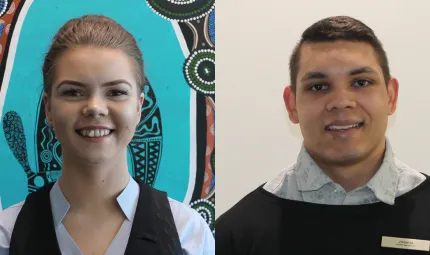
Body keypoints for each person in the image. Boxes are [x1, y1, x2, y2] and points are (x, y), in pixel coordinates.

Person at [0, 15, 214, 255]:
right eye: (73, 92)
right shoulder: (6, 236)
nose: (94, 107)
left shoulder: (188, 235)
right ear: (49, 108)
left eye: (115, 92)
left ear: (138, 107)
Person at [216, 15, 430, 255]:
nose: (341, 102)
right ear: (292, 105)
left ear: (391, 96)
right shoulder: (235, 236)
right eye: (318, 87)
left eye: (361, 82)